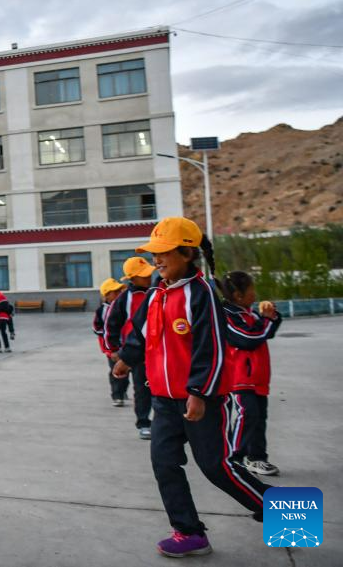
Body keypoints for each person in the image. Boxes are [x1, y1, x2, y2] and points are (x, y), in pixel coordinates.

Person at [113, 217, 269, 558]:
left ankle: (285, 512)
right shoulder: (155, 294)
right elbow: (140, 335)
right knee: (164, 464)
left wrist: (198, 393)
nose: (157, 260)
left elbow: (210, 347)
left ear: (186, 253)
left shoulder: (202, 294)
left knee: (217, 467)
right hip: (164, 401)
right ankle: (189, 532)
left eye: (163, 252)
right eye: (154, 254)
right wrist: (126, 359)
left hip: (202, 401)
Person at [221, 271, 283, 476]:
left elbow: (266, 332)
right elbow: (248, 338)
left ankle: (256, 458)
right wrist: (266, 320)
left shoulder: (250, 313)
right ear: (238, 295)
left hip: (258, 378)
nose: (254, 294)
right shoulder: (227, 316)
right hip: (239, 378)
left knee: (259, 417)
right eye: (251, 290)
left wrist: (272, 317)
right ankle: (234, 458)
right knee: (247, 414)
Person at [104, 256, 157, 436]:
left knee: (160, 387)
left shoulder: (157, 293)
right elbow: (111, 324)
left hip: (157, 351)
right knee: (141, 388)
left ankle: (164, 423)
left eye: (149, 274)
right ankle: (143, 422)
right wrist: (113, 349)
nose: (148, 277)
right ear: (132, 278)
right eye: (144, 275)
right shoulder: (124, 298)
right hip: (135, 352)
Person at [93, 278, 127, 407]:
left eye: (119, 291)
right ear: (106, 295)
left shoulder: (123, 306)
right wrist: (108, 332)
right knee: (115, 370)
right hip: (111, 348)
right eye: (115, 292)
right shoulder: (101, 310)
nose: (119, 294)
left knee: (127, 370)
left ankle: (123, 390)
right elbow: (96, 328)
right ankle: (117, 395)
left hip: (126, 345)